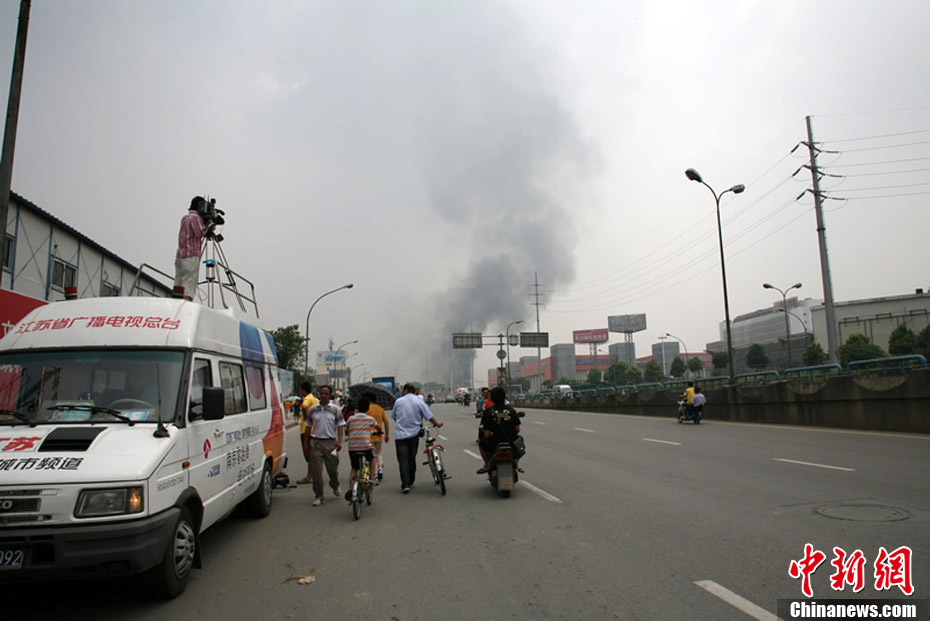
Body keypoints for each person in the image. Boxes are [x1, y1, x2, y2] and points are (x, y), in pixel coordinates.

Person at [391, 382, 443, 494]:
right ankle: (411, 480)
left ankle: (405, 484)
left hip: (400, 436)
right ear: (414, 391)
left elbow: (394, 417)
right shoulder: (419, 401)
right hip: (414, 435)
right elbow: (429, 416)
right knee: (411, 457)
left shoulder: (398, 401)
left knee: (402, 460)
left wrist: (401, 425)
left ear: (405, 390)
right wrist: (437, 423)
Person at [308, 385, 345, 506]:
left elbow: (340, 426)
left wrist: (339, 441)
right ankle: (319, 495)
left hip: (330, 443)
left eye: (326, 393)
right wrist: (306, 444)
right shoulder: (313, 409)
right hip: (316, 442)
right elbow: (308, 427)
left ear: (330, 395)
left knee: (332, 470)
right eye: (321, 393)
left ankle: (335, 485)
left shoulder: (335, 409)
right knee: (317, 471)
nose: (323, 395)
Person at [174, 196, 212, 301]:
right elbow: (200, 233)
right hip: (191, 255)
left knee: (179, 284)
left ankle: (176, 306)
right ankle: (185, 306)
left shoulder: (185, 218)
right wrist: (208, 225)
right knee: (189, 284)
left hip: (180, 256)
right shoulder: (195, 218)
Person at [477, 386, 522, 474]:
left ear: (492, 398)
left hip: (494, 443)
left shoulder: (489, 412)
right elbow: (518, 429)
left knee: (480, 442)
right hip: (511, 443)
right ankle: (516, 463)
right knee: (520, 442)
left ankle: (487, 465)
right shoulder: (511, 410)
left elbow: (486, 434)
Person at [344, 397, 379, 501]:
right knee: (372, 459)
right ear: (367, 408)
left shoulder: (351, 419)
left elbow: (346, 430)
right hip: (365, 447)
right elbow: (378, 427)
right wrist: (379, 431)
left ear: (357, 408)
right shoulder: (369, 419)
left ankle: (351, 488)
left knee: (354, 468)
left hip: (353, 448)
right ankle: (372, 480)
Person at [365, 392, 390, 482]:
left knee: (372, 455)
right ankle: (380, 468)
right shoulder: (380, 409)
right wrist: (387, 434)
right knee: (378, 453)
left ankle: (374, 473)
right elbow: (386, 422)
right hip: (379, 435)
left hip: (368, 436)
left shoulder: (366, 409)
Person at [296, 382, 318, 485]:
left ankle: (310, 476)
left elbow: (304, 407)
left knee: (308, 452)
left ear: (304, 390)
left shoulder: (307, 398)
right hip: (314, 429)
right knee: (312, 453)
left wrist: (305, 417)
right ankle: (312, 474)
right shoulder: (314, 399)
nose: (300, 392)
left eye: (301, 390)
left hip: (306, 430)